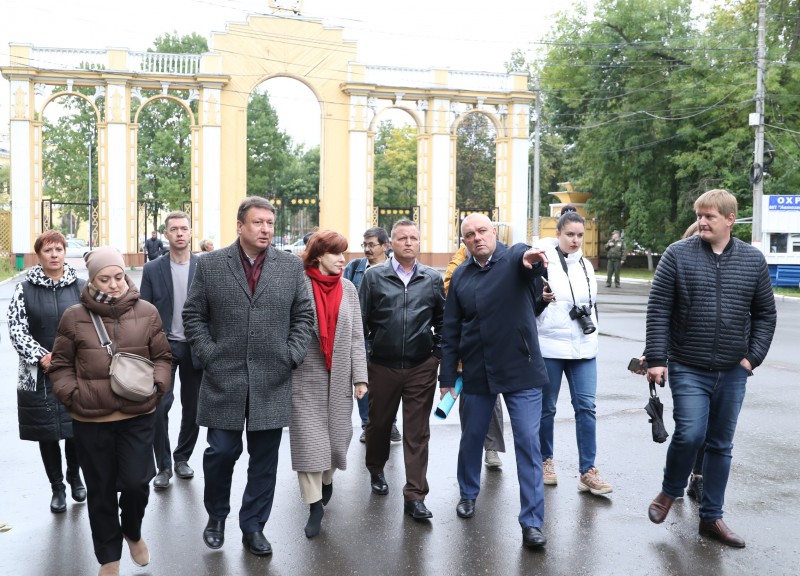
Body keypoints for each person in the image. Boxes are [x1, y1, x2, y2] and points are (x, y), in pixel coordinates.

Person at [644, 189, 776, 548]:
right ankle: (670, 490)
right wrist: (656, 359)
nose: (702, 222)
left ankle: (712, 518)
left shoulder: (752, 260)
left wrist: (751, 359)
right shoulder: (677, 254)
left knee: (720, 444)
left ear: (730, 219)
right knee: (690, 434)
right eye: (699, 216)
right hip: (688, 365)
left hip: (733, 370)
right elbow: (659, 309)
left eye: (709, 216)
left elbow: (765, 314)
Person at [183, 196, 314, 556]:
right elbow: (193, 315)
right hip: (223, 378)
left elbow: (304, 316)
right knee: (221, 452)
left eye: (270, 223)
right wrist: (210, 355)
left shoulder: (290, 266)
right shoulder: (211, 265)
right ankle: (217, 516)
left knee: (264, 460)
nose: (265, 229)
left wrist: (291, 355)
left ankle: (253, 526)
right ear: (240, 226)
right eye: (258, 222)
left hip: (273, 378)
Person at [49, 247, 172, 576]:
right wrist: (72, 397)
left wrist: (158, 386)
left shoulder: (146, 312)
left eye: (119, 276)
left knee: (136, 483)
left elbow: (162, 357)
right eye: (105, 279)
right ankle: (109, 557)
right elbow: (60, 365)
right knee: (100, 489)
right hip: (91, 420)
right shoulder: (74, 317)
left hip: (137, 415)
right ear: (92, 280)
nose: (114, 284)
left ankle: (132, 530)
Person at [439, 213, 550, 549]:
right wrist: (447, 377)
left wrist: (531, 259)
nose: (477, 238)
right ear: (464, 242)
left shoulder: (513, 258)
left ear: (494, 233)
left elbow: (526, 259)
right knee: (472, 437)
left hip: (521, 368)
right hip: (477, 369)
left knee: (528, 442)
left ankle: (532, 522)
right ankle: (467, 493)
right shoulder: (461, 275)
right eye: (469, 234)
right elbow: (451, 330)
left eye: (483, 231)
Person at [359, 219, 445, 521]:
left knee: (417, 432)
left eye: (413, 238)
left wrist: (435, 355)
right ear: (391, 244)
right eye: (402, 238)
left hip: (421, 367)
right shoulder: (374, 277)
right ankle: (376, 468)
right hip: (382, 365)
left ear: (419, 243)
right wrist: (366, 358)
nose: (408, 242)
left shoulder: (431, 278)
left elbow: (442, 320)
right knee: (379, 425)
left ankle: (415, 495)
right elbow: (361, 322)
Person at [289, 230, 368, 538]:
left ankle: (327, 479)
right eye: (336, 253)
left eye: (344, 253)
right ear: (319, 255)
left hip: (339, 376)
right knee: (309, 443)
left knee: (337, 440)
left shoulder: (348, 288)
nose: (342, 259)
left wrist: (360, 377)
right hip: (304, 376)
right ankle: (314, 506)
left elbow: (357, 337)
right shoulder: (299, 285)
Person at [7, 230, 86, 513]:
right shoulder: (24, 289)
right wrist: (42, 356)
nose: (54, 255)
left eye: (59, 249)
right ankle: (57, 487)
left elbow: (90, 326)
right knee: (47, 431)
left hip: (76, 369)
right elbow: (17, 329)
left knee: (76, 427)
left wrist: (65, 357)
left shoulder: (81, 287)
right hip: (38, 373)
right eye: (48, 250)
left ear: (65, 252)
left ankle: (75, 476)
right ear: (39, 255)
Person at [534, 211, 612, 495]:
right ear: (558, 234)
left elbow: (592, 305)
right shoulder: (542, 263)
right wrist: (542, 301)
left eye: (580, 235)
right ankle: (545, 460)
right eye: (570, 234)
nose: (575, 240)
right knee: (547, 409)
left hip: (583, 348)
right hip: (550, 347)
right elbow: (530, 305)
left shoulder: (586, 266)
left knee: (586, 408)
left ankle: (588, 471)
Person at [140, 211, 203, 489]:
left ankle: (182, 458)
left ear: (190, 232)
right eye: (174, 229)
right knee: (159, 407)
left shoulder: (204, 267)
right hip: (163, 348)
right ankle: (163, 466)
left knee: (194, 408)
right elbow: (143, 310)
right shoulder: (152, 269)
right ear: (166, 234)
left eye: (184, 228)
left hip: (195, 347)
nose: (179, 233)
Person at [444, 242, 505, 469]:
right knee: (470, 403)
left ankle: (492, 448)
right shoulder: (457, 267)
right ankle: (472, 446)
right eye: (470, 236)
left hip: (493, 343)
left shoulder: (500, 259)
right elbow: (450, 294)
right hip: (467, 345)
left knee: (493, 398)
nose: (477, 240)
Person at [343, 226, 401, 444]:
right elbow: (342, 294)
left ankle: (390, 422)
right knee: (362, 381)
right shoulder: (355, 267)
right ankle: (368, 425)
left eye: (372, 245)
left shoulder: (395, 269)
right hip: (360, 335)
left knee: (389, 383)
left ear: (385, 246)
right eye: (364, 245)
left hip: (387, 336)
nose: (367, 249)